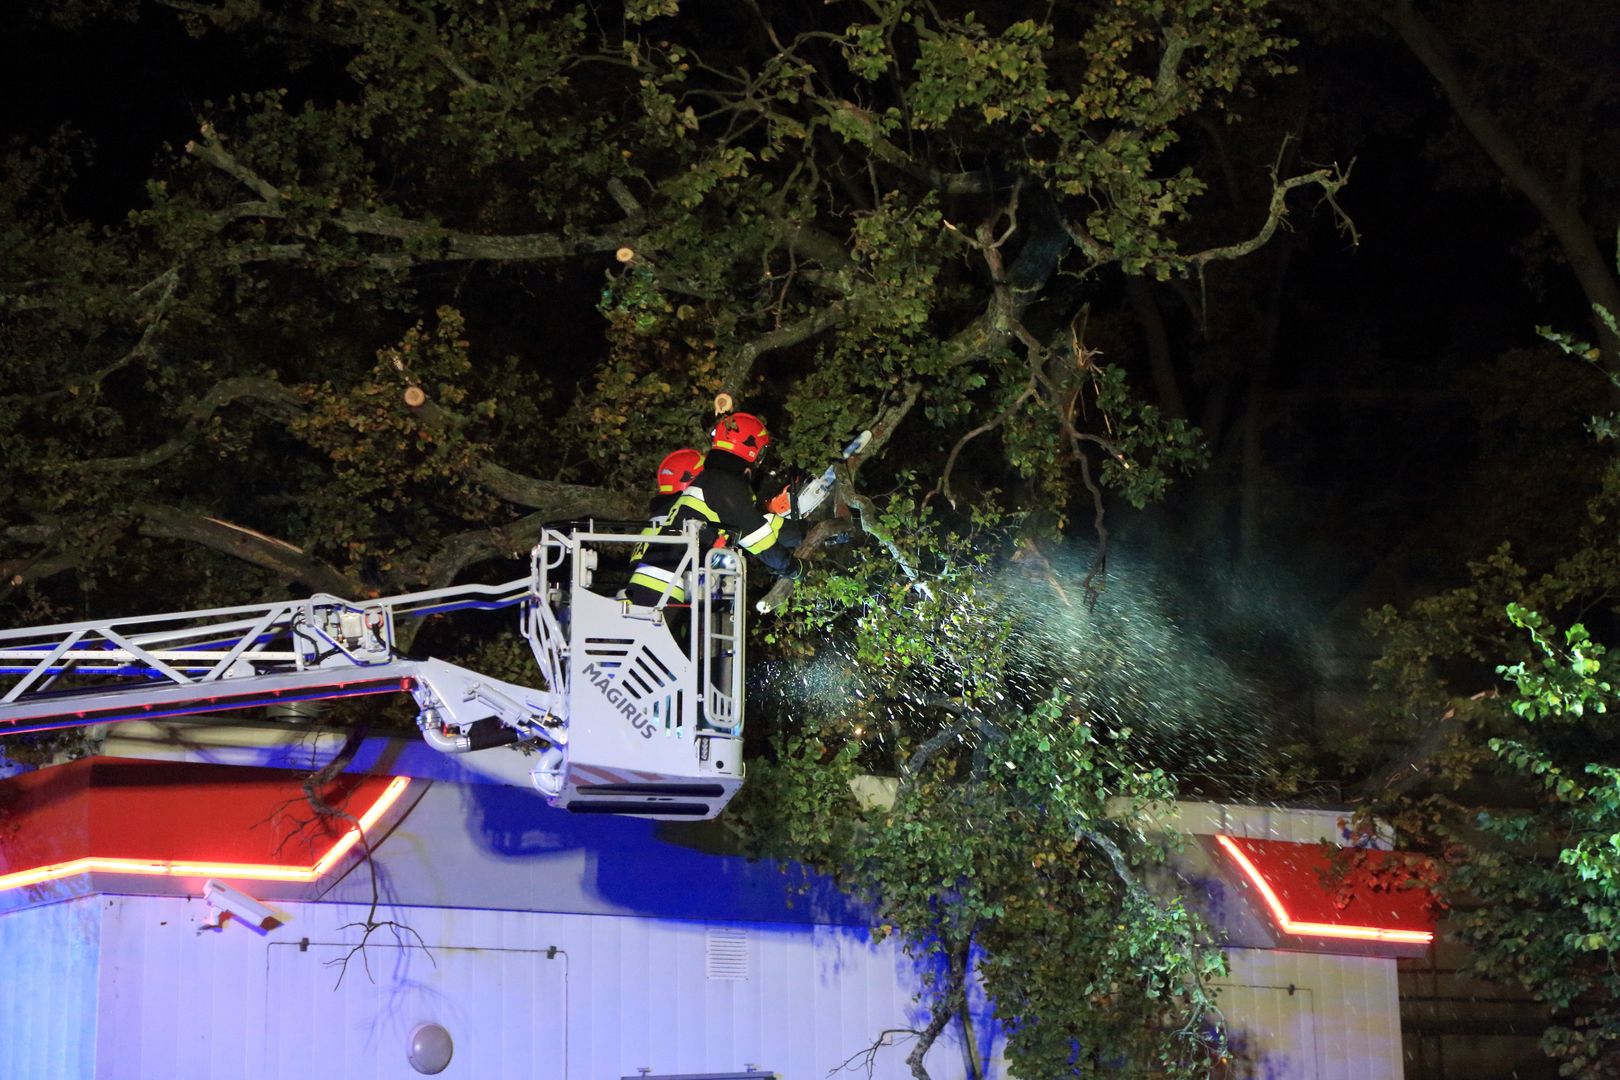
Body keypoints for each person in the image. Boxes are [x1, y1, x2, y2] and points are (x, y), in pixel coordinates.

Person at [626, 412, 802, 606]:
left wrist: (805, 532)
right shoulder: (723, 485)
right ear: (754, 452)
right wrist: (792, 566)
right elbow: (756, 535)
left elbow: (762, 525)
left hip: (665, 588)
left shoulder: (713, 485)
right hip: (666, 590)